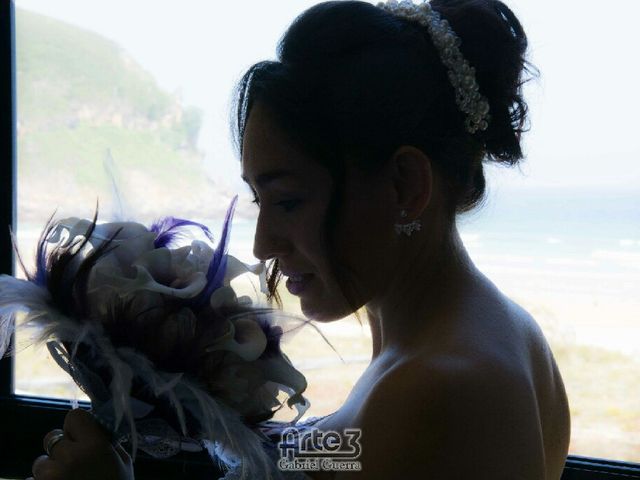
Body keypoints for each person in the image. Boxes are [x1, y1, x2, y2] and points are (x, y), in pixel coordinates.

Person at [30, 1, 570, 479]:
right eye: (260, 202)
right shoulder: (483, 334)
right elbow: (350, 450)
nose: (263, 244)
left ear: (405, 185)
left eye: (288, 201)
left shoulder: (437, 390)